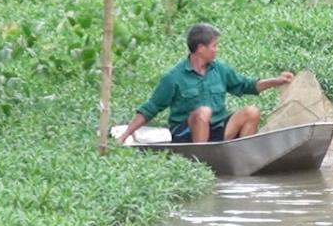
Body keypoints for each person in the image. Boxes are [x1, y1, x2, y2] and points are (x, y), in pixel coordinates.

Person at [117, 23, 293, 144]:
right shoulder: (173, 77)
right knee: (203, 112)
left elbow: (246, 85)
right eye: (214, 45)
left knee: (251, 112)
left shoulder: (220, 70)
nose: (217, 49)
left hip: (217, 128)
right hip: (186, 133)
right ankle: (202, 158)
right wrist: (126, 134)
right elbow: (150, 108)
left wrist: (276, 81)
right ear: (201, 48)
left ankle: (240, 154)